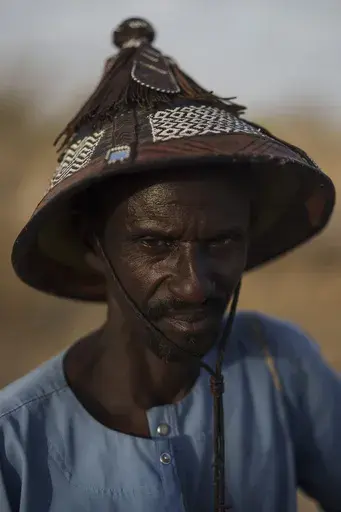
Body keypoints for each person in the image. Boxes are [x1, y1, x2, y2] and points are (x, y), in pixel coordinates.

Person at [1, 17, 340, 512]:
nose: (194, 285)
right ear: (93, 244)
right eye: (156, 244)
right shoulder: (15, 444)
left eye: (223, 240)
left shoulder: (280, 365)